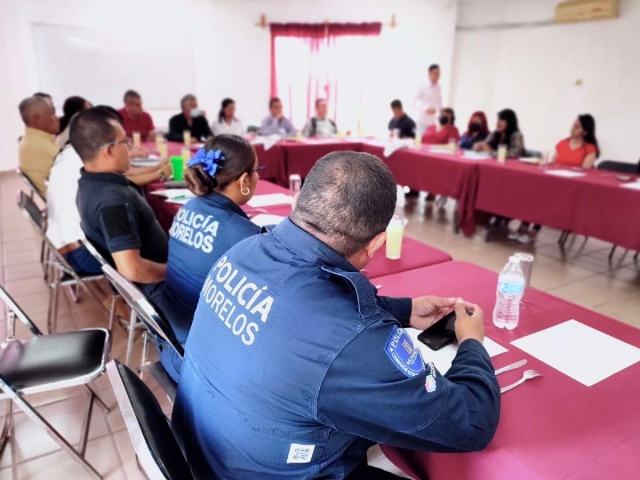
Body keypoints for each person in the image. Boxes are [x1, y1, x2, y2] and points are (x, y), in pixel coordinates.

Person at [173, 151, 501, 479]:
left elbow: (308, 316)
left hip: (207, 455)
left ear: (299, 200)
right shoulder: (350, 343)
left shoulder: (242, 250)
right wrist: (472, 342)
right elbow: (471, 424)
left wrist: (407, 311)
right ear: (376, 245)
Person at [149, 135, 263, 381]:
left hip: (169, 341)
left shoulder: (188, 207)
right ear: (244, 180)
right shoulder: (242, 235)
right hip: (199, 364)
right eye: (257, 171)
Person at [48, 106, 172, 276]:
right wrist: (177, 275)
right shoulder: (112, 202)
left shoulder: (89, 180)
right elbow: (132, 270)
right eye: (125, 142)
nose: (129, 148)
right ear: (109, 150)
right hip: (164, 290)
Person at [18, 96, 61, 195]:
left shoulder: (32, 139)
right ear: (37, 119)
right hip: (65, 200)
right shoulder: (40, 146)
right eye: (51, 113)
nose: (57, 118)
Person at [413, 64, 443, 137]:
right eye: (435, 73)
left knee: (431, 142)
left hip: (433, 121)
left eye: (439, 73)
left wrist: (440, 113)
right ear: (429, 74)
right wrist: (425, 109)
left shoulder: (438, 87)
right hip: (423, 120)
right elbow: (414, 102)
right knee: (420, 142)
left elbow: (439, 102)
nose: (437, 76)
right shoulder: (422, 86)